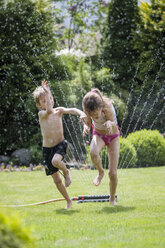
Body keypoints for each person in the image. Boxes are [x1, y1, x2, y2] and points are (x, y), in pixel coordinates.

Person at [32, 80, 86, 209]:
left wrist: (81, 113)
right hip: (47, 150)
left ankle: (66, 172)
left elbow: (71, 109)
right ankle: (68, 200)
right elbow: (49, 110)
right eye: (44, 101)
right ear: (39, 105)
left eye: (50, 98)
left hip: (60, 145)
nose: (48, 102)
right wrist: (47, 91)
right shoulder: (42, 114)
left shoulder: (59, 111)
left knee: (56, 161)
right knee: (56, 180)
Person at [81, 88, 120, 206]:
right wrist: (85, 127)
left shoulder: (106, 106)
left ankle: (112, 198)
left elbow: (112, 122)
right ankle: (100, 172)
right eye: (91, 114)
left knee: (112, 173)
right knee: (93, 152)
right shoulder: (88, 109)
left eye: (96, 113)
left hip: (113, 136)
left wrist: (109, 123)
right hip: (99, 135)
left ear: (100, 107)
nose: (95, 116)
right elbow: (88, 123)